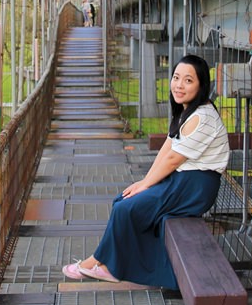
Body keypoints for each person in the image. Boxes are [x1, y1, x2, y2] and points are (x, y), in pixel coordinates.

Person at [63, 54, 230, 288]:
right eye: (176, 78)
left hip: (195, 186)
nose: (179, 85)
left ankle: (101, 263)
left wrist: (145, 185)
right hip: (184, 180)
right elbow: (168, 147)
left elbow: (172, 159)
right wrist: (145, 181)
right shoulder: (188, 111)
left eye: (188, 80)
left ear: (202, 85)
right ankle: (110, 263)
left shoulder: (201, 117)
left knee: (126, 209)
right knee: (122, 200)